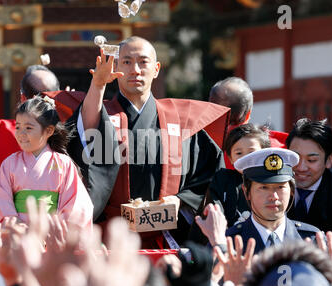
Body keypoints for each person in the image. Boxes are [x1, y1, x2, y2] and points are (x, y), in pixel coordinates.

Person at [67, 36, 226, 248]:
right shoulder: (105, 115)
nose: (135, 70)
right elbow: (85, 132)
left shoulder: (179, 120)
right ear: (115, 66)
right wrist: (98, 84)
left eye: (143, 62)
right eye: (126, 62)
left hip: (168, 238)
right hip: (111, 239)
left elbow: (208, 172)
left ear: (157, 68)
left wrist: (180, 200)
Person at [0, 96, 93, 233]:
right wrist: (18, 227)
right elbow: (1, 203)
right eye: (18, 127)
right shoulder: (9, 164)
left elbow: (76, 206)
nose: (21, 134)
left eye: (28, 128)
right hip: (17, 236)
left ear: (49, 131)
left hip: (53, 237)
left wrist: (51, 232)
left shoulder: (64, 164)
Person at [197, 148, 322, 255]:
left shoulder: (312, 239)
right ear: (246, 192)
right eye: (264, 187)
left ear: (292, 190)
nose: (274, 196)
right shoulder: (228, 242)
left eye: (280, 187)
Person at [286, 118, 332, 246]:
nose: (301, 167)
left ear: (329, 161)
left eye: (311, 160)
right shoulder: (273, 186)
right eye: (296, 158)